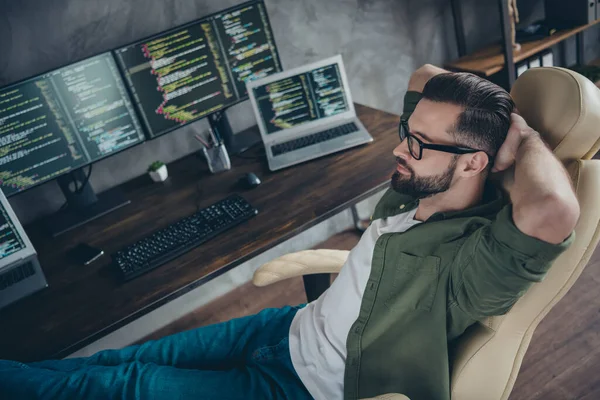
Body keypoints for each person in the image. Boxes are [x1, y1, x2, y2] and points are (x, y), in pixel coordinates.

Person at [0, 65, 579, 400]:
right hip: (291, 327)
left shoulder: (472, 263)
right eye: (408, 130)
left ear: (476, 163)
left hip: (305, 386)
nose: (401, 148)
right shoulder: (422, 181)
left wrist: (521, 138)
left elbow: (553, 209)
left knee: (121, 385)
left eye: (419, 144)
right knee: (109, 364)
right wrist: (503, 118)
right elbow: (427, 78)